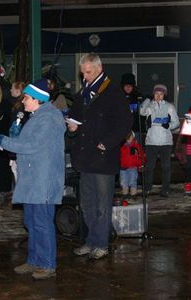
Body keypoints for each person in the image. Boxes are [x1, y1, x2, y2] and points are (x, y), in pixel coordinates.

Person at [0, 79, 65, 280]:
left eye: (26, 97)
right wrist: (11, 138)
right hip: (33, 179)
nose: (23, 101)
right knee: (32, 222)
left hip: (43, 180)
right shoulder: (37, 116)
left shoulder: (49, 118)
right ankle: (34, 260)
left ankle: (48, 264)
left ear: (37, 99)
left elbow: (33, 146)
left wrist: (4, 141)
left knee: (42, 222)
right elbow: (26, 143)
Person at [67, 53, 133, 259]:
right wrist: (72, 128)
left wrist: (107, 144)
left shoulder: (112, 92)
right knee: (87, 203)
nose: (84, 76)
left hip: (103, 158)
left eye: (88, 72)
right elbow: (77, 121)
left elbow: (124, 123)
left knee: (103, 205)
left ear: (98, 68)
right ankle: (91, 240)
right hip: (85, 157)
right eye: (83, 72)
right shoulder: (82, 94)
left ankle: (101, 244)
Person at [140, 84, 180, 198]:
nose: (158, 95)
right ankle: (147, 188)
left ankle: (165, 189)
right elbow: (141, 112)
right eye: (156, 93)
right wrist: (147, 99)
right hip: (151, 141)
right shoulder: (150, 106)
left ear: (164, 95)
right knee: (149, 167)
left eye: (161, 93)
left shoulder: (169, 107)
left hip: (165, 142)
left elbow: (176, 123)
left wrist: (169, 125)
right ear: (154, 94)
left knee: (166, 167)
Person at [120, 73, 145, 144]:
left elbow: (142, 113)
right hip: (121, 130)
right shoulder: (118, 97)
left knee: (136, 149)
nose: (128, 87)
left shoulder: (138, 97)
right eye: (126, 85)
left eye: (130, 86)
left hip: (135, 129)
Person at [119, 131, 145, 196]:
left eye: (130, 137)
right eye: (127, 137)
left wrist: (140, 164)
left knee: (132, 181)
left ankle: (133, 194)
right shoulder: (122, 147)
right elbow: (118, 156)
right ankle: (125, 194)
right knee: (123, 182)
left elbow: (140, 156)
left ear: (133, 137)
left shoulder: (136, 146)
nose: (128, 138)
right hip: (123, 168)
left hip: (133, 167)